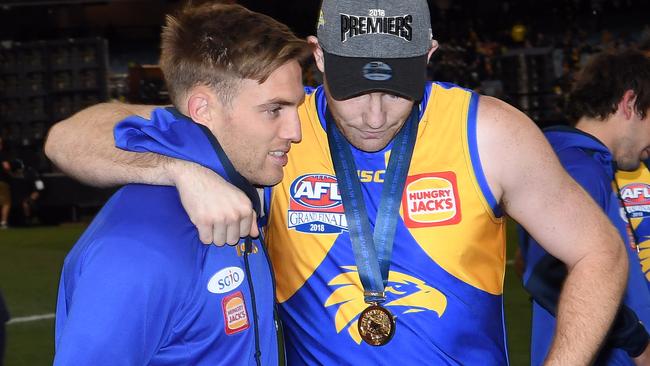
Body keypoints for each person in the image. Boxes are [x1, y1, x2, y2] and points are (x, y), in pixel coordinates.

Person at [46, 0, 628, 364]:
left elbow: (599, 252)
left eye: (398, 88)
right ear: (317, 55)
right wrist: (176, 168)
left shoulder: (489, 133)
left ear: (429, 54)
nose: (374, 115)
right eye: (353, 88)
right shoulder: (273, 131)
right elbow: (71, 137)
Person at [51, 2, 309, 365]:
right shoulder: (139, 250)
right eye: (274, 110)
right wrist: (179, 170)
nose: (295, 132)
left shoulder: (245, 180)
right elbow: (64, 137)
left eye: (296, 107)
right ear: (202, 109)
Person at [519, 50, 650, 366]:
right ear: (629, 103)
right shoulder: (577, 166)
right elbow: (546, 272)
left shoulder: (589, 164)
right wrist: (637, 341)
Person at [0, 137, 11, 229]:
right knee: (6, 203)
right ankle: (3, 222)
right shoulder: (2, 154)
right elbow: (6, 167)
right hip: (1, 181)